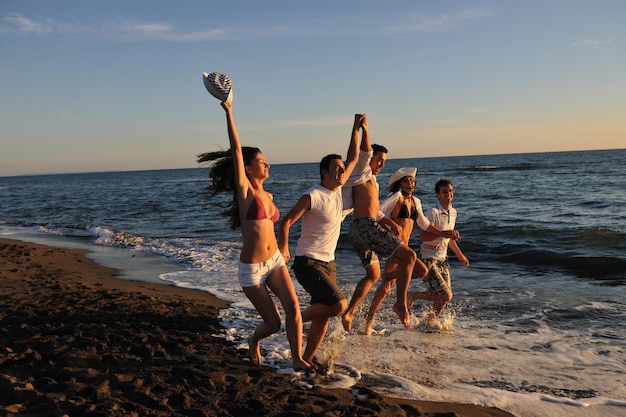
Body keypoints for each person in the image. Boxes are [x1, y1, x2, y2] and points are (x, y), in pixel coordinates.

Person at [197, 101, 311, 372]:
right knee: (272, 324)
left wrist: (283, 247)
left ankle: (297, 359)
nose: (267, 164)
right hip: (251, 271)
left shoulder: (268, 196)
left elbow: (275, 228)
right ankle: (253, 340)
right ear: (248, 169)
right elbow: (236, 150)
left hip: (274, 261)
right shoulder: (245, 193)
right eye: (261, 161)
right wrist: (229, 112)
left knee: (293, 307)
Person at [278, 114, 362, 366]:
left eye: (342, 168)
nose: (342, 171)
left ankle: (305, 359)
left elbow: (355, 158)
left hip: (329, 263)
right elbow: (286, 222)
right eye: (337, 168)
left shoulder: (337, 190)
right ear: (324, 172)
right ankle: (293, 320)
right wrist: (283, 246)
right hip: (308, 262)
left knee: (323, 316)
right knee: (338, 305)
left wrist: (355, 128)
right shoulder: (312, 195)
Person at [340, 123, 418, 332]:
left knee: (373, 276)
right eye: (380, 160)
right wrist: (363, 128)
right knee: (409, 257)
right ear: (370, 159)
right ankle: (401, 305)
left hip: (359, 229)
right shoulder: (362, 171)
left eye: (385, 161)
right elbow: (363, 152)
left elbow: (375, 211)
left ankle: (349, 312)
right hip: (365, 227)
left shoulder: (371, 181)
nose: (382, 164)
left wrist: (388, 222)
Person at [364, 168, 457, 334]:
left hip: (404, 247)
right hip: (393, 246)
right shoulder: (396, 197)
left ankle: (374, 313)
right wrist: (391, 225)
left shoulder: (416, 201)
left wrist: (443, 233)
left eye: (412, 181)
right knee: (387, 287)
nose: (410, 184)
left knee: (420, 271)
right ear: (400, 183)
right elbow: (376, 212)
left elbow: (425, 224)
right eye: (406, 181)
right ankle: (369, 322)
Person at [408, 178, 469, 325]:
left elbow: (449, 239)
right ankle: (412, 295)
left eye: (450, 191)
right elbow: (423, 236)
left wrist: (461, 256)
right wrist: (445, 233)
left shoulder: (453, 212)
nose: (448, 194)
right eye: (444, 191)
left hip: (443, 259)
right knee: (445, 295)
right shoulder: (433, 212)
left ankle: (428, 322)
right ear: (438, 195)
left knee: (444, 297)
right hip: (428, 258)